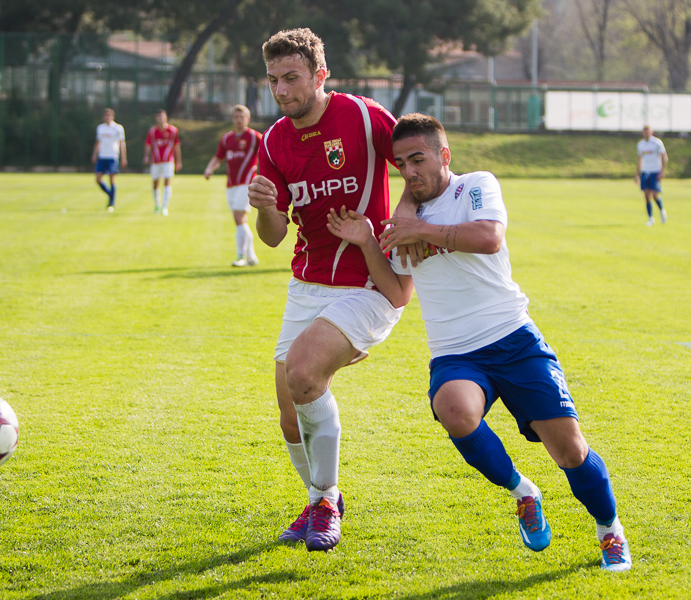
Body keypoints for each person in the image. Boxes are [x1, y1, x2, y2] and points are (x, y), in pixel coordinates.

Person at [326, 112, 632, 572]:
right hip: (455, 351)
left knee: (570, 450)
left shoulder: (475, 186)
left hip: (513, 338)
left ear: (444, 155)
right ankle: (522, 491)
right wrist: (371, 242)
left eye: (418, 159)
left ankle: (610, 530)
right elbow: (397, 293)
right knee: (454, 410)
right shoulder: (400, 223)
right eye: (400, 164)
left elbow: (489, 237)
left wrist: (420, 230)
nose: (409, 171)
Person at [247, 28, 414, 552]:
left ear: (321, 76)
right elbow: (273, 238)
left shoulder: (363, 116)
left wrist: (407, 223)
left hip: (369, 281)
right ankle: (323, 499)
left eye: (292, 78)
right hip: (306, 281)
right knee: (289, 413)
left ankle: (323, 501)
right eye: (274, 80)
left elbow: (419, 163)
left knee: (303, 372)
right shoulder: (274, 139)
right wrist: (265, 207)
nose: (281, 90)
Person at [204, 104, 262, 267]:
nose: (238, 120)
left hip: (247, 183)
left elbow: (270, 151)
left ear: (248, 119)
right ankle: (251, 256)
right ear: (232, 119)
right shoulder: (226, 138)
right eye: (236, 117)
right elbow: (218, 157)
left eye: (242, 117)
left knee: (238, 217)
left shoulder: (254, 137)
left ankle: (240, 256)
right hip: (231, 185)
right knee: (240, 220)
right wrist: (209, 168)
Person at [143, 109, 182, 216]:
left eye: (162, 116)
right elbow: (148, 144)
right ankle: (157, 204)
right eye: (158, 116)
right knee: (155, 183)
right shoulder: (152, 131)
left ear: (166, 117)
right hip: (155, 161)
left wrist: (178, 161)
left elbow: (176, 146)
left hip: (168, 161)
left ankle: (165, 206)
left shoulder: (173, 131)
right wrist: (146, 156)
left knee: (167, 182)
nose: (160, 118)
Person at [92, 108, 127, 212]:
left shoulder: (118, 128)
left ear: (112, 117)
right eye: (105, 116)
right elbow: (98, 142)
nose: (107, 118)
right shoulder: (100, 128)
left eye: (109, 116)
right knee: (98, 179)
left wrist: (123, 157)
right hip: (102, 156)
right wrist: (94, 154)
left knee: (112, 179)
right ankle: (110, 194)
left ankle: (112, 202)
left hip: (112, 156)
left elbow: (122, 143)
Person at [635, 125, 668, 226]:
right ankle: (651, 218)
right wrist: (637, 174)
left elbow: (664, 157)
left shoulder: (657, 143)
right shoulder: (640, 144)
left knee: (654, 194)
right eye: (644, 131)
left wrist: (662, 170)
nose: (646, 133)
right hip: (645, 171)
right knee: (646, 195)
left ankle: (662, 211)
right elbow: (639, 159)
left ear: (651, 132)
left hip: (655, 171)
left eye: (648, 131)